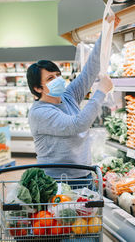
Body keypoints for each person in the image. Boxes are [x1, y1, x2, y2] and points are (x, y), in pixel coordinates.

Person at [26, 16, 120, 186]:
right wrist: (101, 92)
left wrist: (106, 32)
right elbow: (78, 124)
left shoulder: (68, 96)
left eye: (58, 75)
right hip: (58, 183)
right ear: (37, 88)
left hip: (84, 175)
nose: (57, 80)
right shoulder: (39, 113)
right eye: (50, 78)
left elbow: (90, 70)